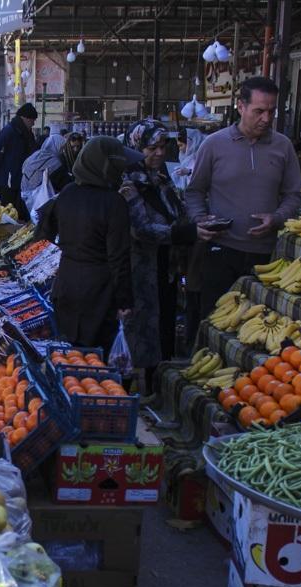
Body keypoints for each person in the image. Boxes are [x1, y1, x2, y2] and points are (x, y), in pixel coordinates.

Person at [185, 76, 301, 321]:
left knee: (259, 323)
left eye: (271, 111)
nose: (266, 119)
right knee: (215, 320)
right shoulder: (214, 145)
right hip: (220, 251)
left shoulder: (283, 147)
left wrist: (278, 218)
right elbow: (195, 191)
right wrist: (199, 220)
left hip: (267, 257)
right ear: (241, 107)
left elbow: (293, 195)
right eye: (259, 111)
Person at [121, 120, 213, 388]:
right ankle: (132, 386)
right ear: (136, 147)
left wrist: (200, 221)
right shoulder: (128, 182)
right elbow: (142, 229)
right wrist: (185, 233)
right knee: (140, 329)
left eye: (163, 147)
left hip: (166, 265)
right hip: (140, 268)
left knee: (163, 324)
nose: (159, 153)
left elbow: (178, 213)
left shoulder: (161, 179)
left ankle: (156, 382)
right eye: (152, 147)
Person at [38, 136, 132, 352]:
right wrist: (125, 301)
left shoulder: (68, 193)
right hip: (100, 292)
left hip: (67, 284)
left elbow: (42, 235)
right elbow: (119, 256)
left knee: (69, 356)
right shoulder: (114, 203)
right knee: (95, 361)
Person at [0, 103, 39, 220]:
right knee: (8, 214)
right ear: (24, 118)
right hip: (8, 181)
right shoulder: (9, 131)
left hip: (22, 181)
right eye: (32, 120)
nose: (33, 123)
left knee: (19, 215)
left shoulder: (27, 134)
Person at [20, 131, 84, 216]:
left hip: (25, 193)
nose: (62, 151)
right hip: (39, 197)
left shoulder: (37, 154)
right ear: (56, 146)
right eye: (61, 148)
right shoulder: (53, 161)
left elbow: (24, 168)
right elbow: (62, 181)